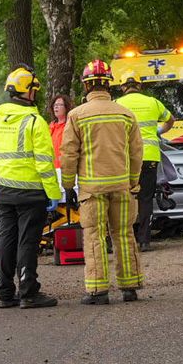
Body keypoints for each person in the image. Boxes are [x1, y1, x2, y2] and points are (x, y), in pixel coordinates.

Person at [62, 60, 144, 304]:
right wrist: (133, 182)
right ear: (109, 85)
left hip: (92, 188)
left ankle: (98, 291)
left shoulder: (76, 115)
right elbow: (136, 152)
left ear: (87, 86)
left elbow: (69, 153)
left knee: (94, 236)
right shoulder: (126, 114)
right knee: (124, 234)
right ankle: (130, 287)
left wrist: (68, 186)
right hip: (122, 187)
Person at [0, 65, 60, 309]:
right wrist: (53, 193)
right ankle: (28, 292)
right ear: (28, 92)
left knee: (6, 238)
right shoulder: (34, 121)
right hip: (31, 192)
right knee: (27, 241)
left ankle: (4, 292)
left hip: (4, 190)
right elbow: (44, 163)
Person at [116, 69, 174, 252]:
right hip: (149, 157)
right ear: (139, 86)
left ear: (123, 86)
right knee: (146, 199)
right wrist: (159, 131)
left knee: (126, 198)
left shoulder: (117, 104)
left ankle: (127, 238)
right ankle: (144, 240)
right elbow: (170, 120)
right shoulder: (152, 102)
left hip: (126, 158)